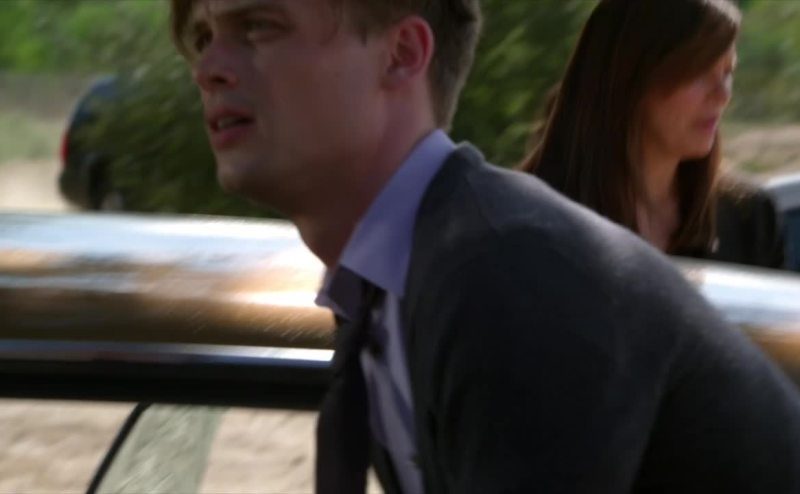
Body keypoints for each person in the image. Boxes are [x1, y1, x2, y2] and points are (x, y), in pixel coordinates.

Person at [170, 0, 800, 492]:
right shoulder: (408, 276)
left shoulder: (509, 274)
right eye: (202, 37)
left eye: (258, 26)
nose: (208, 68)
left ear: (401, 55)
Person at [521, 0, 786, 269]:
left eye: (728, 72)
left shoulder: (749, 218)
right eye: (699, 72)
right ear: (630, 77)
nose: (722, 95)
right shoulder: (527, 217)